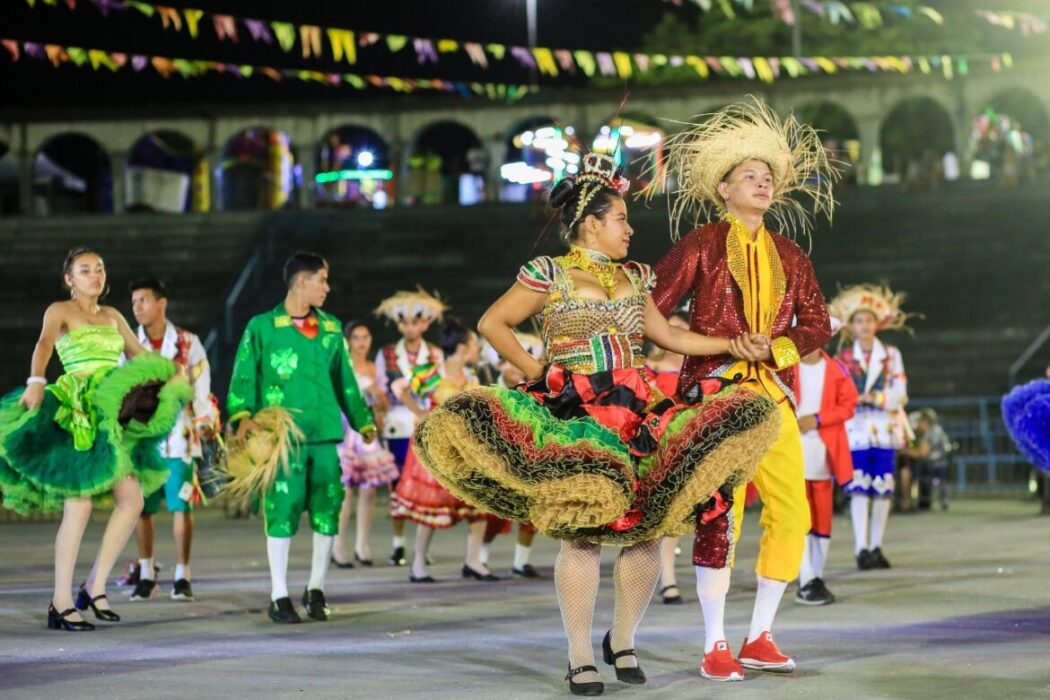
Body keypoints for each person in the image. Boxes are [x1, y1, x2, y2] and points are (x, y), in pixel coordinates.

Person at [413, 151, 780, 695]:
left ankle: (624, 638)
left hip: (637, 408)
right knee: (583, 535)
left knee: (648, 530)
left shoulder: (637, 274)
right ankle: (579, 654)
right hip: (576, 412)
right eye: (621, 219)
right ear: (591, 223)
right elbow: (493, 322)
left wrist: (734, 343)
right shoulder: (550, 272)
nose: (631, 229)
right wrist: (542, 374)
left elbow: (672, 338)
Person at [650, 98, 837, 681]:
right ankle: (714, 643)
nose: (762, 184)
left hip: (774, 397)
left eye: (768, 179)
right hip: (716, 396)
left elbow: (817, 324)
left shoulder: (791, 253)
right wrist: (711, 346)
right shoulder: (702, 244)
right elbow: (650, 305)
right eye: (750, 177)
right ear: (723, 188)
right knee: (719, 512)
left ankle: (759, 634)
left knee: (792, 511)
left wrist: (776, 349)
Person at [0, 247, 191, 630]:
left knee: (132, 499)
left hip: (111, 414)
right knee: (80, 506)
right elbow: (43, 346)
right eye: (85, 270)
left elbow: (138, 355)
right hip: (77, 412)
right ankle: (61, 600)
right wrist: (36, 382)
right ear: (69, 279)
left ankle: (94, 586)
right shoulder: (60, 311)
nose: (94, 275)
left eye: (99, 269)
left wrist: (170, 372)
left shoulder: (113, 315)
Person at [226, 251, 376, 624]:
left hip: (325, 435)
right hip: (281, 440)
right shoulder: (262, 327)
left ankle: (316, 588)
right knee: (282, 510)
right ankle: (279, 595)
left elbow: (347, 382)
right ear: (301, 282)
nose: (327, 287)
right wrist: (241, 417)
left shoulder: (331, 329)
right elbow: (243, 376)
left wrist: (363, 421)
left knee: (328, 510)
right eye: (322, 280)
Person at [128, 277, 218, 602]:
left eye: (143, 301)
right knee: (142, 508)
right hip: (141, 439)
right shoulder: (128, 343)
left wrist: (205, 418)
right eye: (134, 302)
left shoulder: (186, 342)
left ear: (161, 303)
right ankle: (147, 573)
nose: (137, 308)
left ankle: (183, 574)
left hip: (179, 435)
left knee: (182, 505)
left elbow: (201, 382)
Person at [391, 316, 496, 583]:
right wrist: (420, 413)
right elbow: (398, 387)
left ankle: (473, 562)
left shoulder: (471, 375)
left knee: (477, 503)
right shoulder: (432, 372)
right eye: (474, 344)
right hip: (439, 448)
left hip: (466, 449)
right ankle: (417, 565)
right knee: (431, 506)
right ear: (462, 347)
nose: (477, 349)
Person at [829, 283, 912, 571]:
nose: (864, 325)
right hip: (856, 431)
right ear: (850, 326)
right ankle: (861, 547)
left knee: (883, 488)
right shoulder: (841, 359)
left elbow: (900, 392)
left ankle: (876, 545)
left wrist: (873, 397)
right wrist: (860, 400)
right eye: (859, 320)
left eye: (869, 320)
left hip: (885, 429)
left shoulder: (891, 354)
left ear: (877, 323)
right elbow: (837, 395)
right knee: (860, 488)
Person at [373, 289, 445, 566]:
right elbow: (381, 390)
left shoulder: (435, 354)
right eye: (405, 322)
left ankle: (420, 547)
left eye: (416, 322)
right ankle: (398, 544)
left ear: (425, 323)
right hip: (397, 425)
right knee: (398, 484)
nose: (410, 327)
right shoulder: (388, 354)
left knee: (426, 487)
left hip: (427, 425)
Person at [794, 341, 857, 606]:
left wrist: (817, 419)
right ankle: (805, 577)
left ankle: (816, 576)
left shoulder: (836, 369)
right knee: (797, 515)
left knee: (821, 517)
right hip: (790, 449)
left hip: (825, 453)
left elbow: (848, 405)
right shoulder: (784, 364)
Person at [477, 331, 545, 578]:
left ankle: (521, 562)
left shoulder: (533, 391)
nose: (519, 369)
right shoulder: (487, 388)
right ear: (501, 362)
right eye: (513, 362)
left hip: (526, 458)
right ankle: (479, 558)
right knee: (493, 512)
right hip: (495, 459)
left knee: (530, 513)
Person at [332, 320, 399, 567]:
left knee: (369, 488)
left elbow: (385, 404)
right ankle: (338, 545)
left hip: (366, 430)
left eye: (366, 337)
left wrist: (377, 395)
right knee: (345, 488)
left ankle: (362, 544)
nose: (362, 342)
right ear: (349, 341)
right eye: (357, 337)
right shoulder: (342, 365)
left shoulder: (373, 368)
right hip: (346, 428)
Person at [645, 312, 691, 605]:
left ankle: (668, 579)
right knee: (651, 516)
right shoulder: (650, 366)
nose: (674, 333)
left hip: (684, 443)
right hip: (653, 444)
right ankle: (648, 578)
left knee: (676, 514)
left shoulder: (698, 366)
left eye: (682, 329)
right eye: (670, 327)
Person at [902, 409, 950, 511]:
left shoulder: (931, 433)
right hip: (941, 464)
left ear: (926, 422)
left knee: (907, 472)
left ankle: (908, 503)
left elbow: (921, 453)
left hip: (932, 465)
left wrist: (904, 451)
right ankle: (926, 501)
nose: (919, 424)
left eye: (920, 421)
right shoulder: (938, 429)